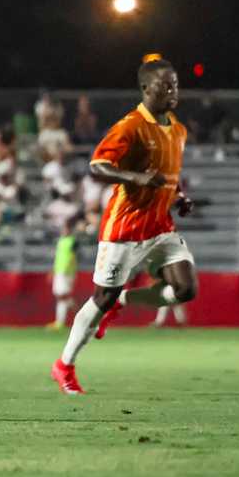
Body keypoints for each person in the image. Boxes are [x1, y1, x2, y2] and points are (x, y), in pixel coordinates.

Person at [53, 58, 197, 395]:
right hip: (126, 227)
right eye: (165, 85)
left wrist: (179, 196)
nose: (173, 90)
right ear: (146, 89)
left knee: (185, 289)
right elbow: (97, 164)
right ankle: (64, 366)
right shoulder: (130, 126)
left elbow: (167, 174)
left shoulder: (178, 128)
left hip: (160, 225)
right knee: (102, 297)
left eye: (176, 84)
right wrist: (136, 177)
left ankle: (124, 302)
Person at [50, 221, 79, 330]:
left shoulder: (73, 241)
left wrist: (69, 268)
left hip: (67, 271)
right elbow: (58, 257)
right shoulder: (60, 241)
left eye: (65, 229)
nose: (64, 231)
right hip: (59, 270)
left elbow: (73, 256)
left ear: (70, 230)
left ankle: (61, 322)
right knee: (61, 296)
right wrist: (53, 271)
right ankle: (60, 321)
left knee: (62, 295)